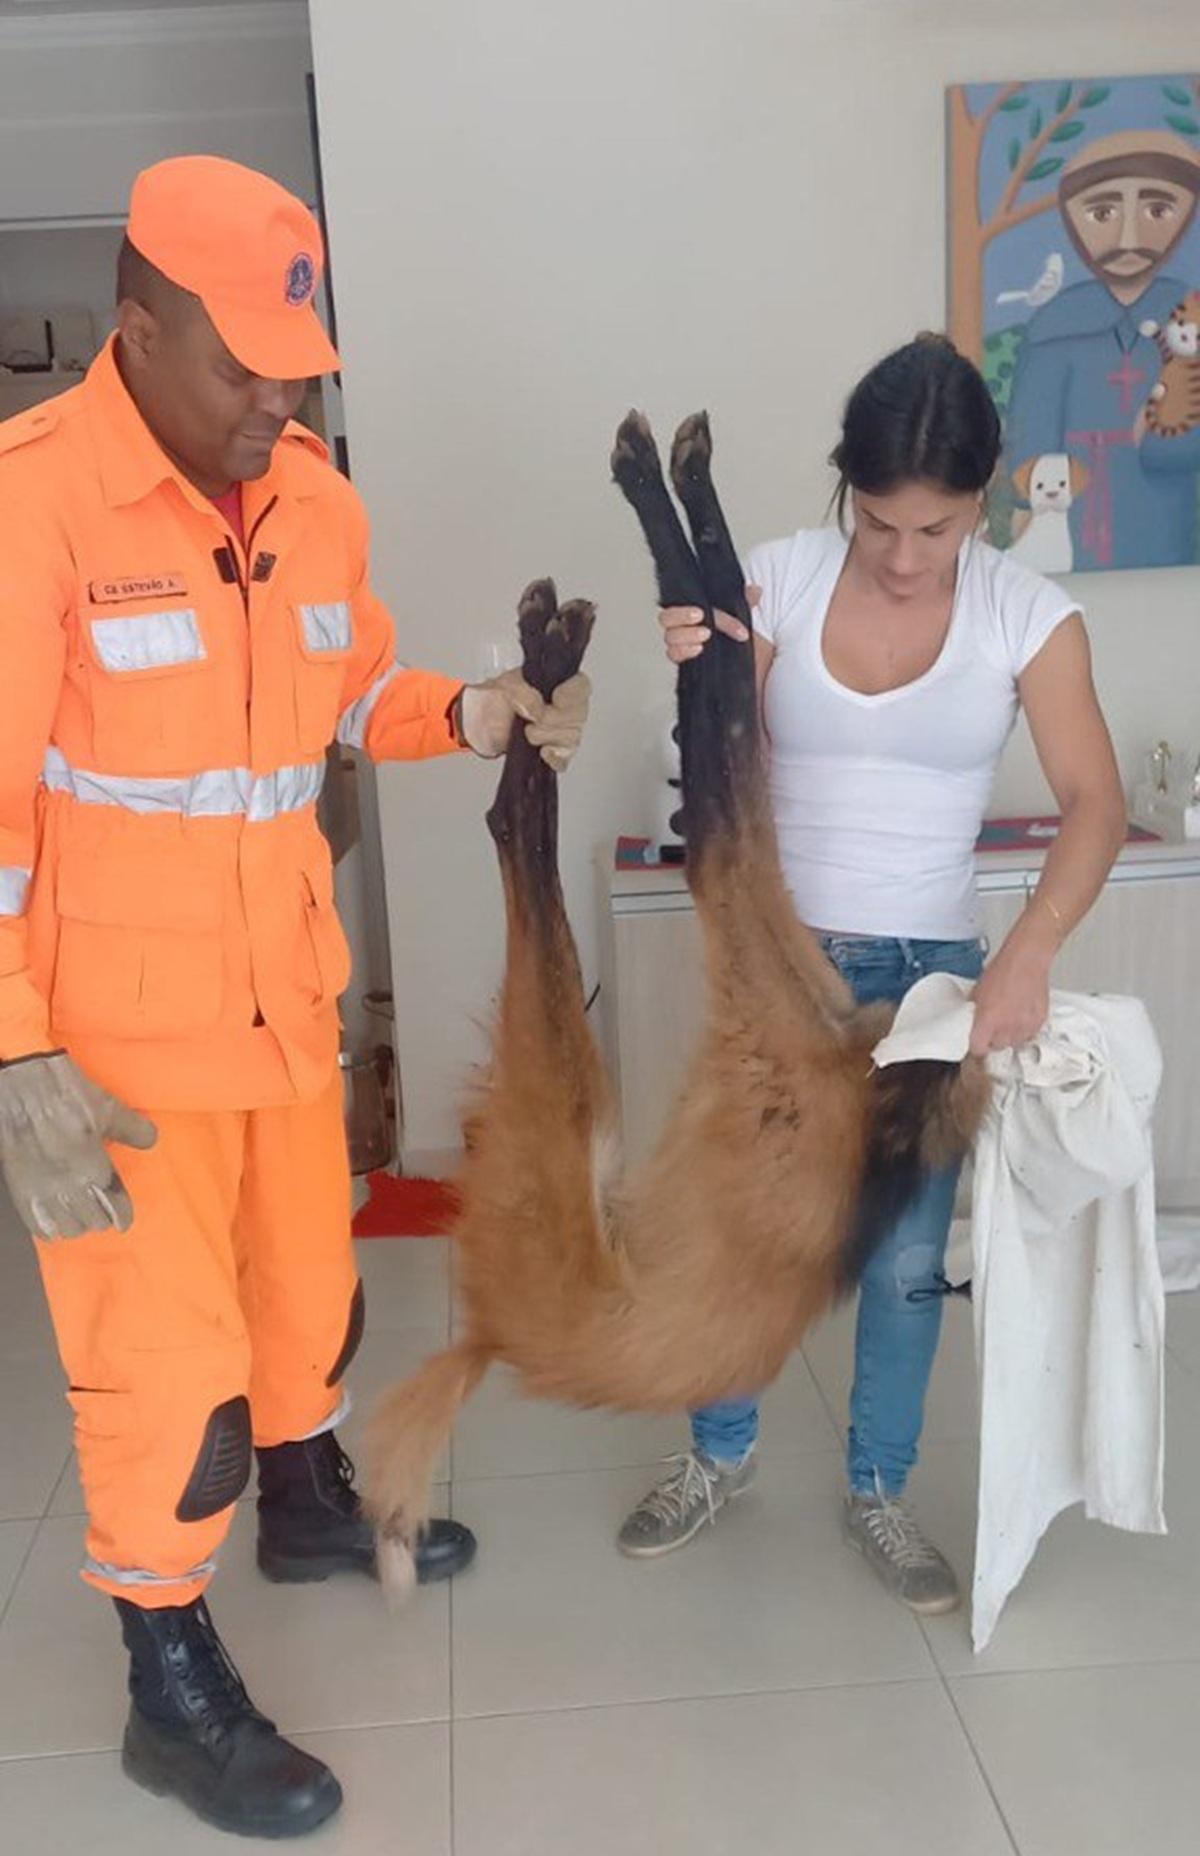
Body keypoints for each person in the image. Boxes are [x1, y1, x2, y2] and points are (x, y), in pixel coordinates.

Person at [0, 156, 588, 1839]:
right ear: (135, 331)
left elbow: (348, 695)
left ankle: (307, 1498)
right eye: (239, 365)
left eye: (297, 364)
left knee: (302, 1293)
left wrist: (470, 709)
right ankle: (165, 1678)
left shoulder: (319, 498)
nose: (277, 397)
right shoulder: (33, 505)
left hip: (281, 1004)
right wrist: (15, 1042)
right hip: (113, 1049)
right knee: (164, 1364)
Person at [619, 334, 1125, 1616]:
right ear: (846, 484)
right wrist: (697, 654)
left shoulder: (1026, 611)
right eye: (885, 524)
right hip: (784, 960)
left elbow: (1095, 803)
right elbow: (723, 759)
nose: (906, 558)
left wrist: (1026, 952)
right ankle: (715, 1454)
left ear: (988, 497)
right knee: (751, 1224)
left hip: (937, 982)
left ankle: (879, 1489)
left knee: (903, 1256)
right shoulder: (778, 581)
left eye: (939, 530)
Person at [1004, 130, 1200, 569]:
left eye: (1157, 209)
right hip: (1067, 515)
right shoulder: (1053, 327)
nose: (1129, 236)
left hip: (1164, 517)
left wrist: (1166, 436)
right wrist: (1024, 508)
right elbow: (1031, 434)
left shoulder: (1189, 317)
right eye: (1103, 211)